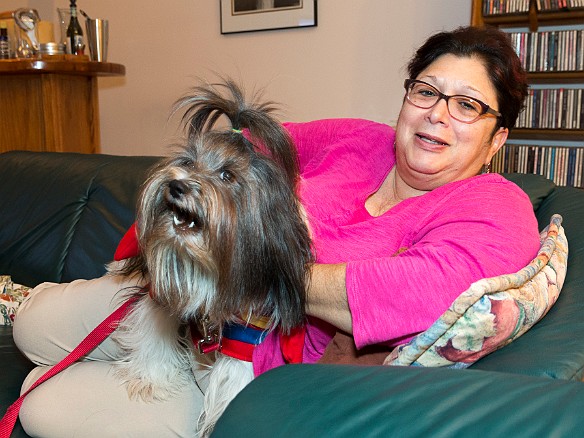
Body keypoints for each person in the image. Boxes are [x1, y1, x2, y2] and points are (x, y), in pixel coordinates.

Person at [12, 25, 540, 437]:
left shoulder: (497, 206)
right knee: (31, 325)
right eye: (426, 91)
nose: (437, 115)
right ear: (405, 99)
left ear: (497, 139)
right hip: (183, 306)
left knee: (42, 404)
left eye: (468, 105)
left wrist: (250, 260)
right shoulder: (361, 141)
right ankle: (27, 309)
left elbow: (412, 295)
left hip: (246, 375)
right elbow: (254, 143)